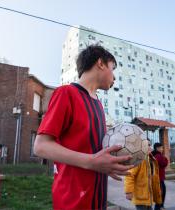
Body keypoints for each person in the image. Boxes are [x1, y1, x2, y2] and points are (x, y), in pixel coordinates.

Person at [34, 45, 134, 210]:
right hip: (72, 202)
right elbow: (41, 146)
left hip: (97, 200)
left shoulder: (98, 104)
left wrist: (110, 160)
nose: (114, 77)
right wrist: (92, 162)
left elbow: (93, 150)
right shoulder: (66, 93)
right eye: (112, 68)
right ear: (100, 63)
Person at [125, 141, 162, 210]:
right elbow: (129, 175)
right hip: (141, 197)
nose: (150, 147)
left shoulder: (150, 158)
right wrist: (128, 191)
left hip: (148, 196)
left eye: (150, 145)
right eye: (147, 145)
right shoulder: (138, 159)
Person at [152, 143, 168, 210]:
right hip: (159, 177)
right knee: (161, 193)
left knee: (160, 193)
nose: (162, 149)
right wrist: (166, 159)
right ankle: (160, 207)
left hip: (156, 177)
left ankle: (160, 206)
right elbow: (164, 163)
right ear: (157, 148)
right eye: (161, 148)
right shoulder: (159, 156)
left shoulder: (153, 155)